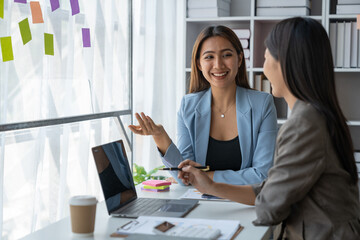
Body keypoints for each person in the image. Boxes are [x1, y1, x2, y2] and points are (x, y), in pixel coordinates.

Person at [178, 17, 360, 239]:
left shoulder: (305, 124)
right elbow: (270, 190)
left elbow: (268, 206)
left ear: (287, 62)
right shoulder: (313, 115)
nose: (263, 68)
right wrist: (211, 186)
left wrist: (214, 182)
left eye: (266, 57)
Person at [129, 25, 277, 185]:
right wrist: (160, 136)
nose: (218, 64)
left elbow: (262, 174)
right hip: (200, 203)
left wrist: (205, 176)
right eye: (209, 57)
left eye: (227, 55)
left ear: (239, 59)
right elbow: (184, 176)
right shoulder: (188, 106)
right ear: (199, 64)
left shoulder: (263, 104)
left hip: (245, 203)